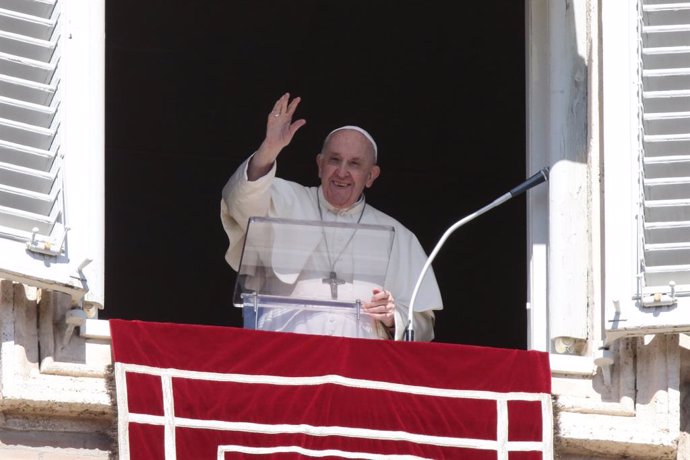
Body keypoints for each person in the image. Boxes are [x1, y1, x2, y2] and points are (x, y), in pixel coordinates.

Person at [221, 93, 443, 340]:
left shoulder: (400, 236)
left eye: (355, 164)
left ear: (371, 176)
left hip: (357, 364)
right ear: (319, 164)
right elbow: (238, 201)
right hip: (284, 352)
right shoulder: (285, 199)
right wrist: (269, 149)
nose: (342, 172)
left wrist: (393, 318)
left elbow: (423, 327)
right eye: (334, 160)